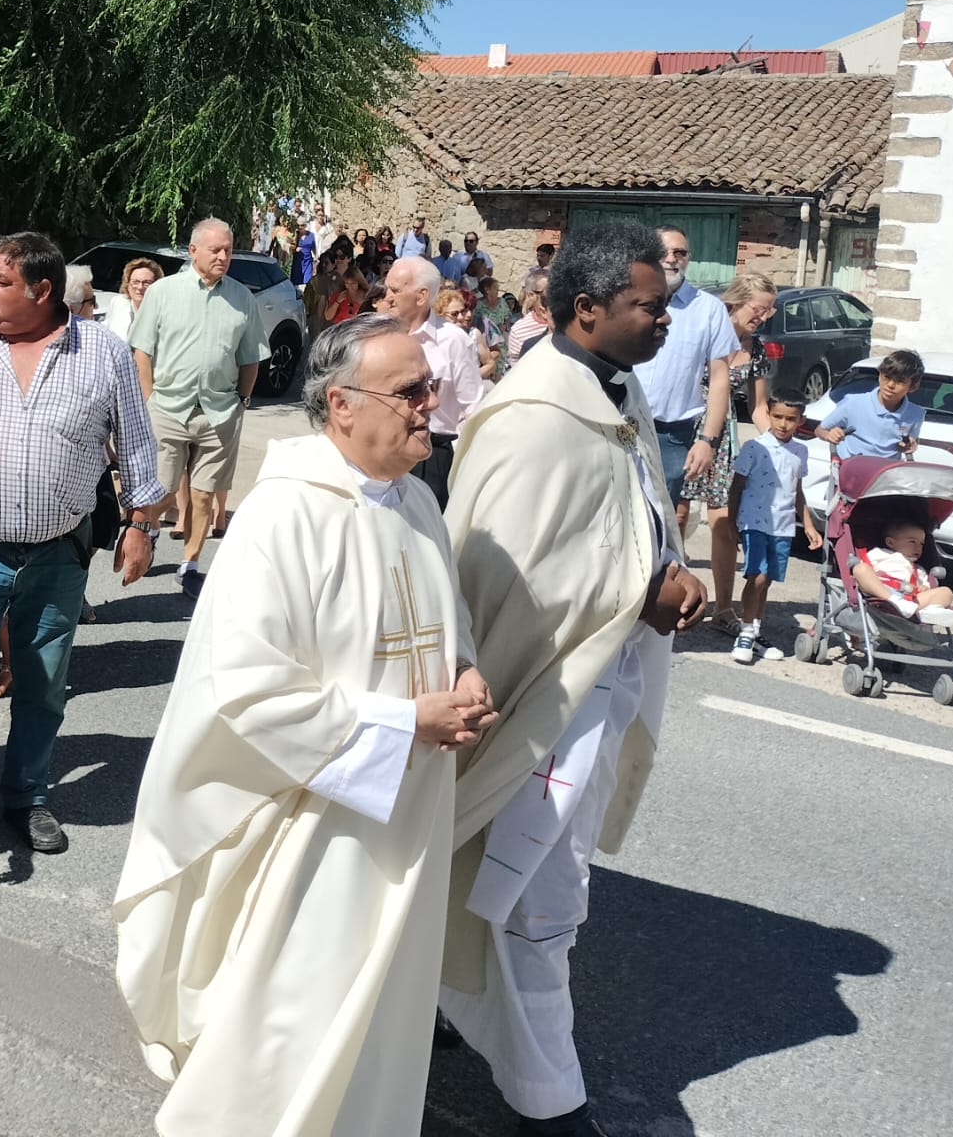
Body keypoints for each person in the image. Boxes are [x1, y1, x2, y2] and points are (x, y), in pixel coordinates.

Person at [115, 315, 491, 1137]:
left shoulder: (419, 501)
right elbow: (246, 687)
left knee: (385, 1002)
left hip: (411, 803)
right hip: (315, 821)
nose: (431, 404)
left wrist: (463, 671)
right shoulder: (284, 515)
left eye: (430, 387)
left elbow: (446, 616)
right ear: (342, 405)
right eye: (411, 391)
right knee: (300, 1009)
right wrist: (403, 723)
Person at [440, 219, 707, 1137]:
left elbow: (627, 520)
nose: (666, 319)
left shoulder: (615, 390)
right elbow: (497, 582)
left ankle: (437, 1002)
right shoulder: (532, 419)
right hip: (543, 698)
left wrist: (666, 569)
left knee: (511, 882)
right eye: (649, 305)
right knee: (537, 901)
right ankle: (550, 1105)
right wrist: (641, 590)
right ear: (586, 309)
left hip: (599, 683)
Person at [0, 232, 166, 853]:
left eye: (1, 280)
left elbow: (135, 443)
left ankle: (26, 794)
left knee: (43, 680)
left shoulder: (102, 352)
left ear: (42, 290)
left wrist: (141, 527)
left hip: (57, 553)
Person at [131, 219, 268, 600]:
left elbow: (251, 357)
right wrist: (148, 400)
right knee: (161, 490)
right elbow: (142, 350)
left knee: (205, 495)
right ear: (193, 251)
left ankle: (189, 565)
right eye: (215, 250)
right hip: (167, 407)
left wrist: (242, 401)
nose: (223, 256)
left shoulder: (242, 298)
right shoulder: (163, 293)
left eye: (228, 250)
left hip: (219, 412)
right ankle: (150, 531)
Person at [681, 274, 779, 629]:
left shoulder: (757, 348)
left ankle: (723, 609)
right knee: (676, 517)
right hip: (685, 427)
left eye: (769, 311)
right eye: (759, 309)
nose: (763, 317)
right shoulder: (706, 331)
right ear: (736, 301)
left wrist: (777, 446)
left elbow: (758, 407)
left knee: (723, 523)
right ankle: (670, 599)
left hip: (721, 438)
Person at [630, 226, 740, 525]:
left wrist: (707, 441)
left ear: (688, 259)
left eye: (680, 253)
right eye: (663, 252)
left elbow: (719, 378)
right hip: (622, 424)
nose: (671, 259)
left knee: (660, 521)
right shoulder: (625, 298)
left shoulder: (709, 310)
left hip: (671, 436)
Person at [378, 257, 482, 508]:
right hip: (384, 448)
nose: (387, 298)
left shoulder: (454, 341)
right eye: (387, 289)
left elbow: (474, 408)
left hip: (430, 456)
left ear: (421, 295)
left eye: (395, 290)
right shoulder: (380, 333)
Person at [728, 396, 821, 664]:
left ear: (800, 420)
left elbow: (797, 491)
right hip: (754, 521)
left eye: (790, 419)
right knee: (756, 577)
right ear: (768, 414)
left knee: (767, 580)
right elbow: (737, 486)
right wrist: (732, 523)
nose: (783, 424)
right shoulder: (755, 447)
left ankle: (755, 632)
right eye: (778, 416)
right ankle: (746, 631)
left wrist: (809, 525)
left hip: (782, 525)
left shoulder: (800, 452)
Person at [816, 349, 927, 457]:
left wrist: (908, 446)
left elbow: (910, 441)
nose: (890, 385)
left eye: (900, 381)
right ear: (879, 375)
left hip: (886, 468)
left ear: (912, 387)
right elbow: (820, 430)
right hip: (851, 466)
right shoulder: (853, 403)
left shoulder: (916, 414)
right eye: (887, 377)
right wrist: (829, 435)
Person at [855, 517, 953, 621]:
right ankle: (896, 602)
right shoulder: (880, 554)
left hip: (909, 601)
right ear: (890, 542)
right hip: (882, 593)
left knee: (946, 592)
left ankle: (929, 612)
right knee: (860, 569)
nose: (918, 547)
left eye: (921, 543)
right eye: (912, 542)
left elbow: (925, 586)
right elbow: (864, 567)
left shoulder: (919, 570)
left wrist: (925, 588)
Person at [104, 256, 166, 342]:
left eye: (147, 283)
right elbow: (106, 331)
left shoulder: (163, 312)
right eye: (135, 282)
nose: (140, 287)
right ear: (128, 283)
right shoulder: (117, 302)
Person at [504, 268, 553, 368]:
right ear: (531, 295)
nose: (554, 296)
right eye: (548, 292)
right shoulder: (519, 331)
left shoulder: (571, 322)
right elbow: (515, 369)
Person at [294, 223, 318, 287]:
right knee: (297, 282)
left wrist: (316, 260)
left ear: (305, 226)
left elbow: (314, 248)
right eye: (298, 225)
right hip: (297, 263)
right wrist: (295, 249)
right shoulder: (295, 234)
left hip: (308, 262)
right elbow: (291, 247)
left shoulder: (311, 235)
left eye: (302, 225)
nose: (300, 227)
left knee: (307, 281)